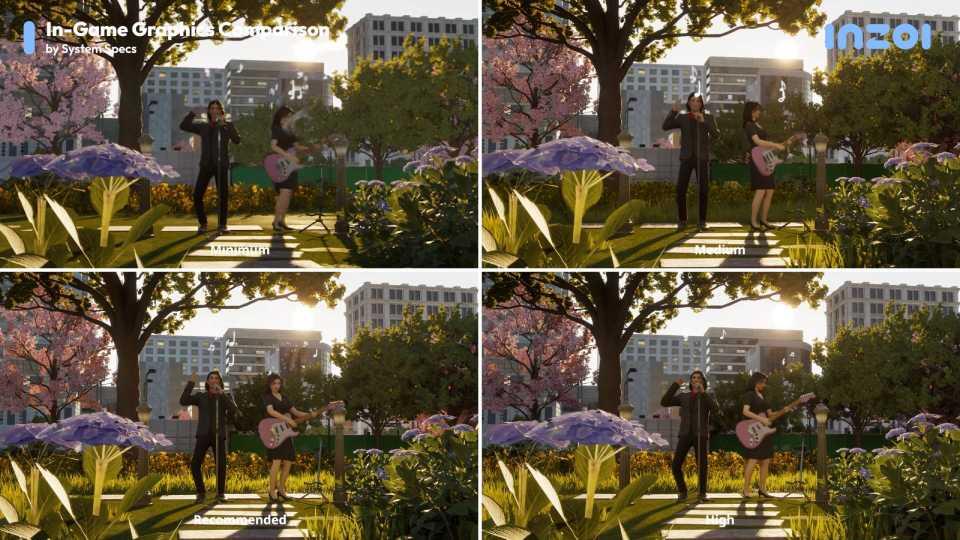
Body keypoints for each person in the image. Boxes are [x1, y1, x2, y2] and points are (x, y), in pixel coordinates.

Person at [262, 373, 337, 502]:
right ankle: (271, 491)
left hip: (286, 433)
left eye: (279, 383)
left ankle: (281, 490)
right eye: (274, 383)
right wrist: (287, 419)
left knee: (289, 461)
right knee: (277, 461)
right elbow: (271, 411)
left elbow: (296, 413)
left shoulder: (284, 398)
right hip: (274, 431)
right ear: (269, 384)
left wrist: (311, 414)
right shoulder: (267, 397)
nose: (276, 386)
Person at [179, 370, 242, 504]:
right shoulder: (201, 396)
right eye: (211, 378)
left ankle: (220, 493)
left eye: (216, 378)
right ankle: (201, 492)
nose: (214, 380)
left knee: (221, 465)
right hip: (203, 434)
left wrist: (222, 394)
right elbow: (183, 400)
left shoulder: (224, 396)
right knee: (195, 464)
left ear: (219, 382)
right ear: (207, 382)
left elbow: (234, 410)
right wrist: (191, 383)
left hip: (218, 435)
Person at [179, 100, 241, 235]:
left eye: (217, 108)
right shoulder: (203, 126)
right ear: (208, 111)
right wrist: (193, 113)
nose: (214, 111)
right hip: (206, 165)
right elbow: (183, 126)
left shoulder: (226, 126)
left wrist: (227, 125)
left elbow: (237, 140)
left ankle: (222, 225)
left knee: (223, 196)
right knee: (197, 195)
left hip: (221, 166)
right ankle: (203, 223)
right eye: (212, 108)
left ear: (221, 111)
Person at [662, 92, 720, 232]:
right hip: (687, 158)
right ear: (688, 103)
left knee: (703, 190)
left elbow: (716, 135)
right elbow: (666, 126)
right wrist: (673, 111)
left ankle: (702, 221)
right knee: (680, 190)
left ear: (701, 104)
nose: (695, 103)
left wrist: (703, 122)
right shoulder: (682, 118)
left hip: (702, 158)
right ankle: (682, 220)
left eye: (698, 101)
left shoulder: (708, 117)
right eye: (692, 101)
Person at [660, 370, 721, 502]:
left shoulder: (707, 395)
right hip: (685, 434)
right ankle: (682, 491)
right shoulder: (684, 396)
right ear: (691, 381)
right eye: (693, 378)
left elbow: (715, 409)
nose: (696, 379)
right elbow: (664, 402)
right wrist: (675, 385)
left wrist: (703, 392)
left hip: (701, 434)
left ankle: (702, 493)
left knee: (702, 465)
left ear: (702, 381)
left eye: (698, 377)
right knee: (676, 465)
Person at [740, 371, 796, 498]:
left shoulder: (762, 396)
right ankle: (745, 490)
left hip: (764, 433)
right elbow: (746, 412)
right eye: (763, 382)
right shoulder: (749, 395)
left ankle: (762, 489)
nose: (764, 385)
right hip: (753, 432)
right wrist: (761, 419)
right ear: (756, 382)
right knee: (753, 460)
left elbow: (771, 416)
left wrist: (785, 410)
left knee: (765, 461)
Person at [742, 101, 793, 231]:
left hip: (766, 158)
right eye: (757, 110)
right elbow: (757, 141)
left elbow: (766, 144)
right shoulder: (749, 125)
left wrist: (782, 143)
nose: (759, 112)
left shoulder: (758, 125)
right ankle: (753, 221)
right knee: (761, 190)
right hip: (757, 159)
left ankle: (764, 220)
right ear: (752, 111)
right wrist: (775, 145)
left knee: (769, 190)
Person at [269, 106, 317, 233]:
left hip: (291, 166)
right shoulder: (277, 129)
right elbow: (273, 146)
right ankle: (276, 221)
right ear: (282, 118)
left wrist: (312, 147)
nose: (292, 118)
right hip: (281, 165)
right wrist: (288, 156)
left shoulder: (291, 132)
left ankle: (282, 221)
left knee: (288, 194)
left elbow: (298, 147)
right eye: (290, 116)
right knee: (284, 194)